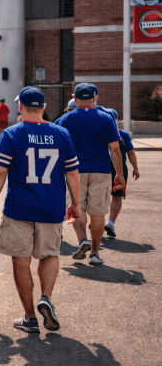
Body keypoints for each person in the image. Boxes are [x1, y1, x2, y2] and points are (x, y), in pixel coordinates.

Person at [0, 87, 81, 333]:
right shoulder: (62, 134)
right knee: (49, 255)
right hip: (51, 207)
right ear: (42, 107)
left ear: (20, 107)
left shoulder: (11, 134)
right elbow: (72, 172)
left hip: (20, 208)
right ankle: (46, 298)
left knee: (21, 260)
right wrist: (76, 203)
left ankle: (30, 317)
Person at [55, 84, 124, 266]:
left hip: (74, 171)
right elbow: (115, 148)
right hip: (101, 170)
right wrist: (120, 174)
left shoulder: (64, 120)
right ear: (95, 98)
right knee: (98, 213)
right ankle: (94, 253)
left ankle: (82, 240)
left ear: (75, 98)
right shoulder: (106, 118)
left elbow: (55, 147)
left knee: (78, 208)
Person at [99, 108, 140, 238]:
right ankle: (110, 222)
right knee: (117, 197)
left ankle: (97, 221)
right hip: (120, 169)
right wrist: (136, 168)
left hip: (101, 169)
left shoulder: (98, 134)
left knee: (99, 197)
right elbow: (131, 153)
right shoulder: (123, 134)